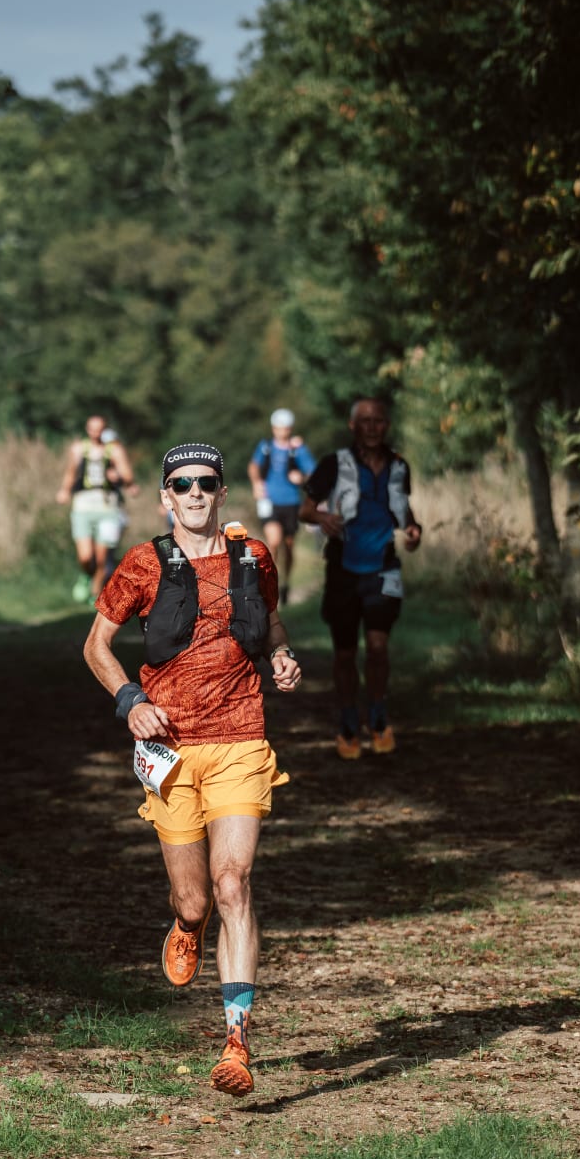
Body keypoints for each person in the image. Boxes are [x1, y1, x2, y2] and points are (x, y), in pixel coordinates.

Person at [83, 442, 302, 1097]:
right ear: (165, 498)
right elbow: (96, 645)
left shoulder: (253, 556)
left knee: (233, 883)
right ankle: (186, 925)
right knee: (196, 898)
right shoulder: (143, 563)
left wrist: (282, 655)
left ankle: (237, 1042)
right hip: (170, 750)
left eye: (206, 482)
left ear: (223, 492)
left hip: (240, 738)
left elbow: (272, 623)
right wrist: (131, 701)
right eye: (182, 484)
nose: (195, 493)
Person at [299, 395, 422, 759]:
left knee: (379, 647)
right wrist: (323, 518)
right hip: (343, 568)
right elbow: (305, 510)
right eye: (364, 421)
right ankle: (349, 721)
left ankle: (379, 717)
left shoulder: (399, 465)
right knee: (345, 653)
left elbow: (403, 508)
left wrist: (413, 530)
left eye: (378, 420)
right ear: (353, 426)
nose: (372, 427)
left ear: (386, 425)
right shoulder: (334, 464)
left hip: (384, 568)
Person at [56, 415, 138, 603]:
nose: (96, 432)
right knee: (85, 557)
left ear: (104, 430)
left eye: (99, 429)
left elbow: (127, 475)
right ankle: (86, 575)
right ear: (87, 429)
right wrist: (64, 491)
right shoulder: (78, 449)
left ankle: (95, 594)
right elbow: (71, 472)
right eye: (92, 428)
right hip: (82, 505)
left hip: (107, 506)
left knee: (102, 558)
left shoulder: (114, 450)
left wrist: (119, 476)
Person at [247, 407, 317, 604]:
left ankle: (286, 582)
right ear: (273, 428)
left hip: (291, 502)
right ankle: (269, 583)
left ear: (290, 428)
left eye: (285, 428)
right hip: (269, 501)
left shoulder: (298, 449)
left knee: (289, 545)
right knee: (274, 541)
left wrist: (301, 477)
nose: (282, 432)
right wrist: (256, 484)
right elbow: (253, 466)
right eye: (278, 428)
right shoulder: (266, 447)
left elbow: (314, 472)